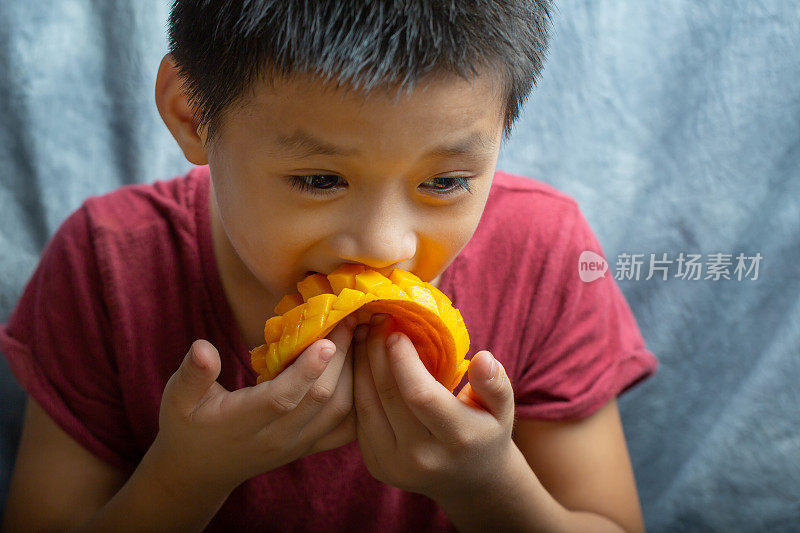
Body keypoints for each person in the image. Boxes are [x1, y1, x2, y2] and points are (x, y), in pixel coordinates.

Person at [1, 1, 658, 531]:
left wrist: (486, 483)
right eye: (319, 178)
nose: (384, 244)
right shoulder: (107, 261)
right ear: (193, 113)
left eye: (447, 181)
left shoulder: (545, 256)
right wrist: (187, 475)